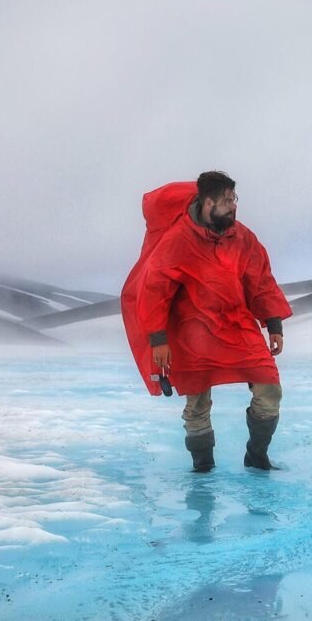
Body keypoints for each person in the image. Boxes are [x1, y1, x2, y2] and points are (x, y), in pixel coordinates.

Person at [121, 171, 292, 472]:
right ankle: (203, 468)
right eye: (228, 201)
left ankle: (257, 455)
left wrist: (273, 321)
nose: (234, 206)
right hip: (192, 331)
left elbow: (260, 279)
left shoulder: (242, 237)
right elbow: (155, 290)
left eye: (234, 199)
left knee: (269, 389)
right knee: (197, 404)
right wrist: (159, 339)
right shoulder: (178, 240)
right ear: (208, 202)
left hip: (237, 325)